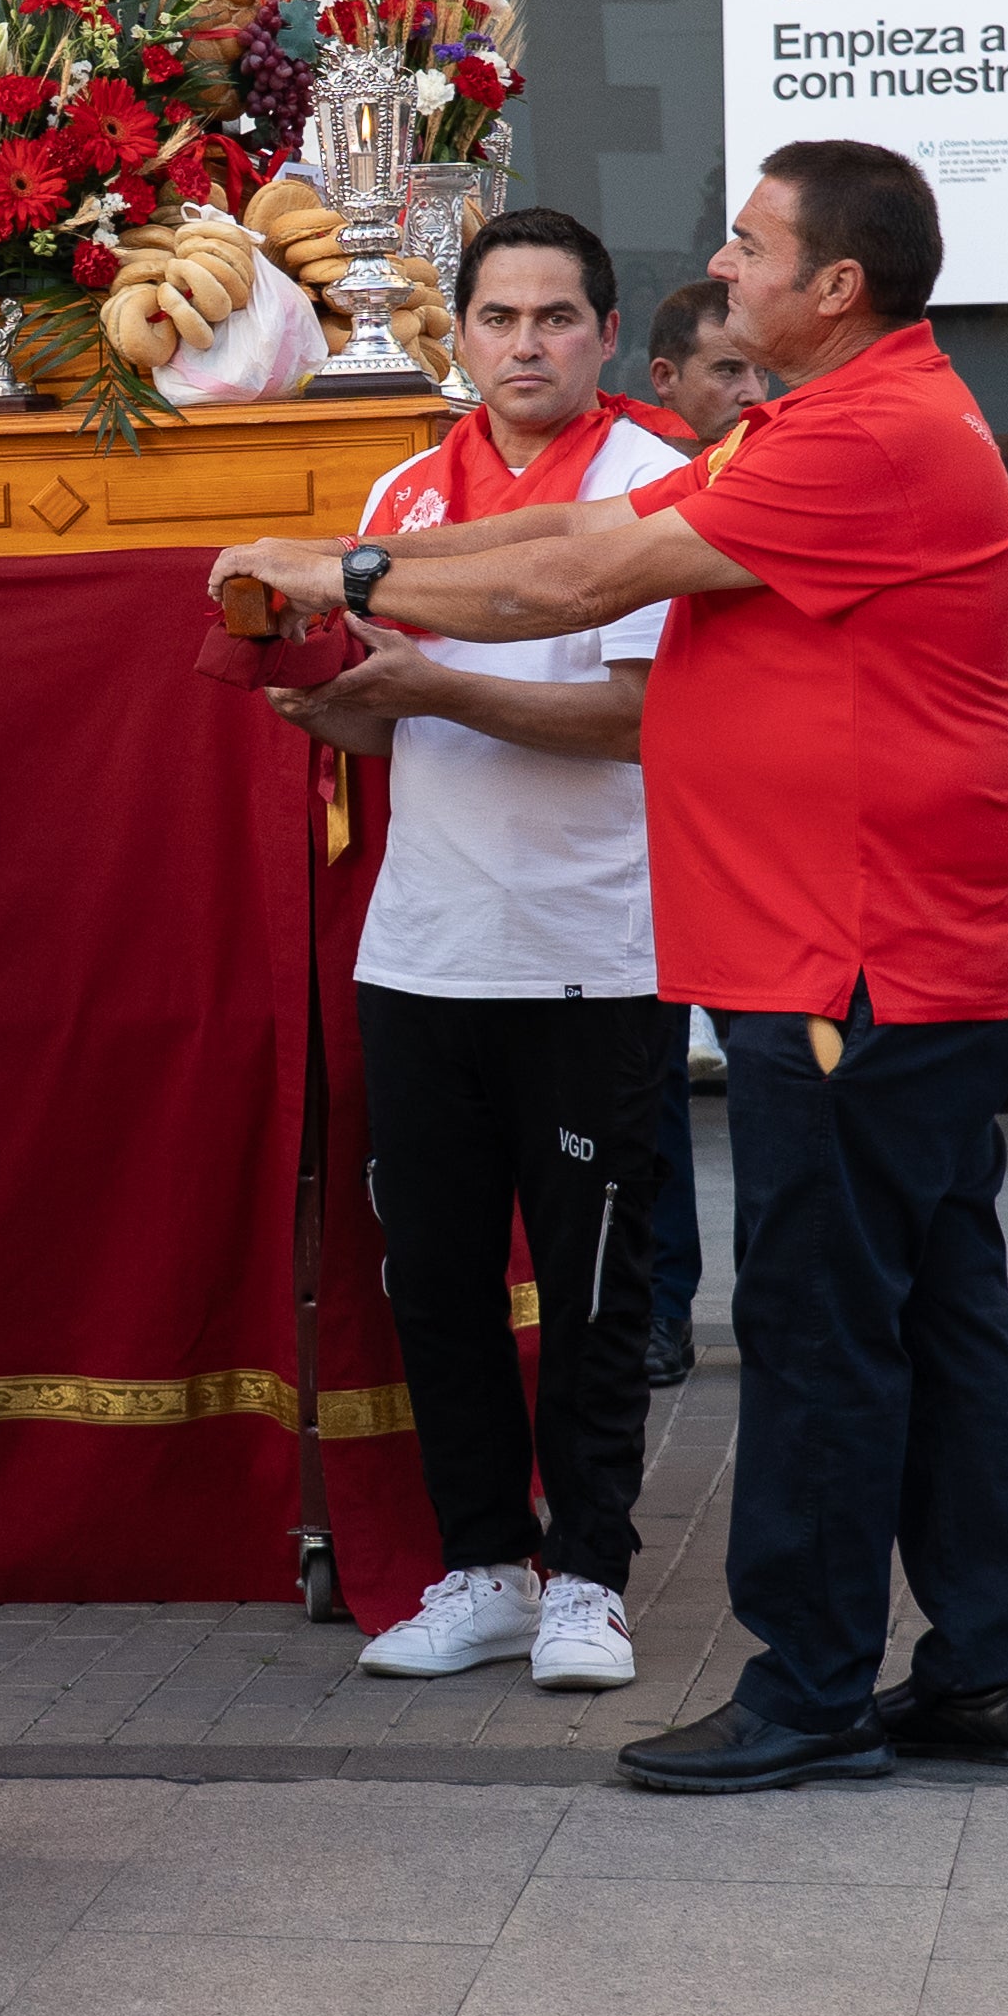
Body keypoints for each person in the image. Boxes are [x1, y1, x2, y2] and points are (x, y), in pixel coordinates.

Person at [216, 138, 1008, 1799]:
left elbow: (587, 571)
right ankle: (984, 1671)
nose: (723, 270)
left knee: (827, 1330)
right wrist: (357, 568)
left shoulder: (870, 438)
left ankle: (811, 1685)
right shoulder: (814, 424)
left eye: (751, 248)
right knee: (941, 1315)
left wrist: (347, 576)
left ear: (837, 287)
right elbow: (568, 542)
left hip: (859, 959)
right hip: (873, 949)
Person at [275, 208, 686, 1697]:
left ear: (606, 335)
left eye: (556, 318)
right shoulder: (402, 486)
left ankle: (589, 1578)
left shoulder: (653, 482)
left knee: (589, 1290)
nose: (526, 343)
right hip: (424, 948)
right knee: (435, 1280)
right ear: (460, 333)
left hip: (595, 949)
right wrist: (344, 710)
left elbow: (640, 719)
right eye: (501, 317)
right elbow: (389, 700)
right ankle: (478, 1568)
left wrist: (433, 689)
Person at [629, 275, 765, 1386]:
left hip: (766, 848)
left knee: (781, 1086)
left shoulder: (789, 475)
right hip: (646, 844)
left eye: (764, 369)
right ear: (667, 379)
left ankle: (778, 1306)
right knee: (654, 1090)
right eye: (729, 370)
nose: (752, 390)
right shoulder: (651, 488)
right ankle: (662, 1304)